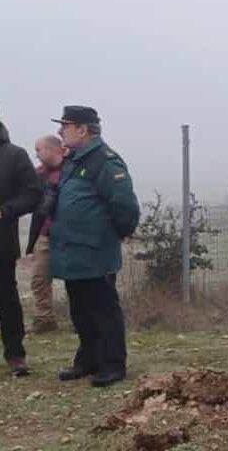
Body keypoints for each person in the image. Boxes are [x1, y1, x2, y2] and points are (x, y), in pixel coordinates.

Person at [51, 106, 140, 387]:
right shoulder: (75, 160)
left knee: (103, 310)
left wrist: (114, 235)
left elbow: (124, 206)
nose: (60, 131)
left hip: (95, 251)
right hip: (73, 252)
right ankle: (88, 360)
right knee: (80, 311)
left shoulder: (104, 160)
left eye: (65, 125)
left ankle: (112, 364)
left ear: (83, 130)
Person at [0, 118, 42, 377]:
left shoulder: (14, 155)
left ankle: (15, 354)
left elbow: (33, 193)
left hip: (1, 242)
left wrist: (5, 211)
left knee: (6, 299)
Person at [26, 135, 66, 334]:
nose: (37, 155)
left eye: (39, 150)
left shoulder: (72, 170)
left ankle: (82, 319)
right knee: (39, 278)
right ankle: (45, 319)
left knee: (78, 279)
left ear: (52, 149)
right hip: (45, 234)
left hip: (70, 233)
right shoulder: (39, 174)